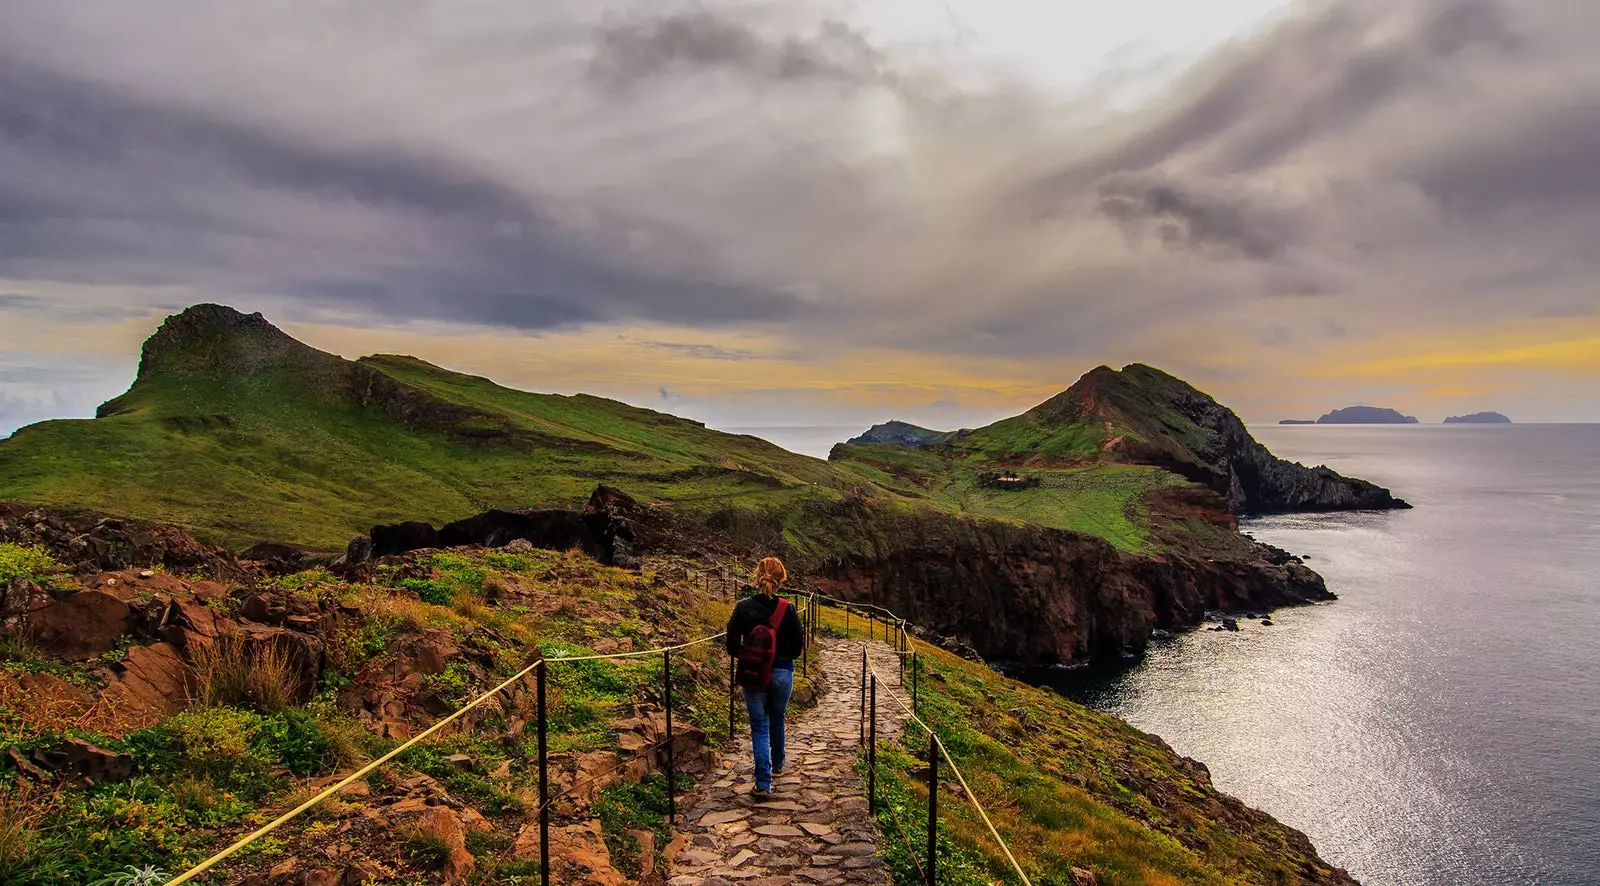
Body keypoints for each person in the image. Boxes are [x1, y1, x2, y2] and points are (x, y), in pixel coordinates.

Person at [725, 556, 804, 799]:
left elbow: (730, 644)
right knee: (777, 717)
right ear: (781, 580)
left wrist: (750, 656)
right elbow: (797, 648)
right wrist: (778, 657)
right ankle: (778, 763)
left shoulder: (743, 607)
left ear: (756, 577)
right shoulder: (787, 609)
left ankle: (763, 783)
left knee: (759, 726)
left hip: (754, 673)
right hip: (782, 672)